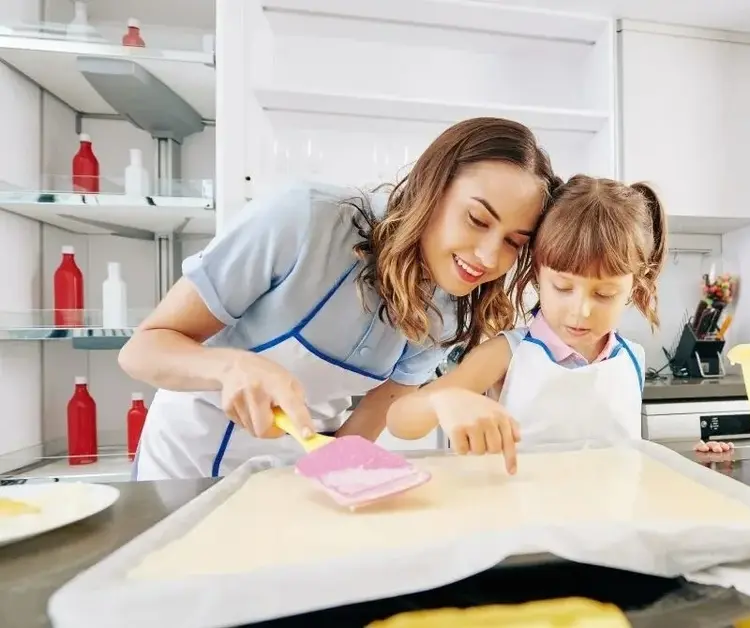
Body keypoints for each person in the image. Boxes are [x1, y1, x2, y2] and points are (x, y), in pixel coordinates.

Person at [119, 117, 558, 480]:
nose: (487, 257)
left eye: (514, 242)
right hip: (181, 470)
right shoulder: (306, 220)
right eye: (477, 219)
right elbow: (142, 350)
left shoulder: (447, 303)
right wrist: (230, 365)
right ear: (432, 187)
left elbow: (365, 425)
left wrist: (340, 483)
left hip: (286, 479)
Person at [383, 175, 731, 463]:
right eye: (563, 287)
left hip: (608, 532)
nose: (581, 311)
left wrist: (691, 459)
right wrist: (441, 401)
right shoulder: (508, 353)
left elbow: (626, 454)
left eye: (604, 294)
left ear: (636, 285)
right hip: (528, 530)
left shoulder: (632, 358)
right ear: (537, 274)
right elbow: (400, 420)